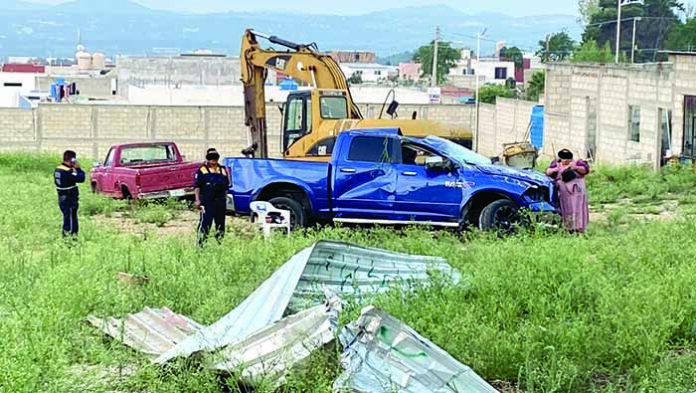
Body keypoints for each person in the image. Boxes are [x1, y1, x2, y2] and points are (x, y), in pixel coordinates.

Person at [546, 149, 590, 234]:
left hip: (577, 193)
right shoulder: (556, 164)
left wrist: (575, 168)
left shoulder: (577, 163)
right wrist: (555, 169)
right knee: (566, 209)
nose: (565, 161)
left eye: (567, 159)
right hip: (564, 194)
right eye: (564, 159)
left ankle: (579, 228)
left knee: (577, 209)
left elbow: (585, 170)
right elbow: (548, 172)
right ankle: (568, 228)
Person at [194, 148, 230, 246]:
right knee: (206, 223)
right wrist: (197, 201)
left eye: (215, 157)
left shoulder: (223, 170)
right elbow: (197, 186)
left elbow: (227, 185)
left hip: (220, 201)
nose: (213, 160)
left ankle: (219, 244)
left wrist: (225, 197)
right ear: (207, 158)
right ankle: (201, 246)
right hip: (207, 201)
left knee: (220, 224)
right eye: (210, 157)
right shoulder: (202, 170)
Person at [54, 150, 85, 238]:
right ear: (72, 159)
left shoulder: (58, 169)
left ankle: (66, 234)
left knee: (67, 216)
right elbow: (81, 178)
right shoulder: (67, 171)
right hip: (69, 197)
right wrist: (78, 169)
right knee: (71, 217)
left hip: (62, 196)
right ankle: (70, 236)